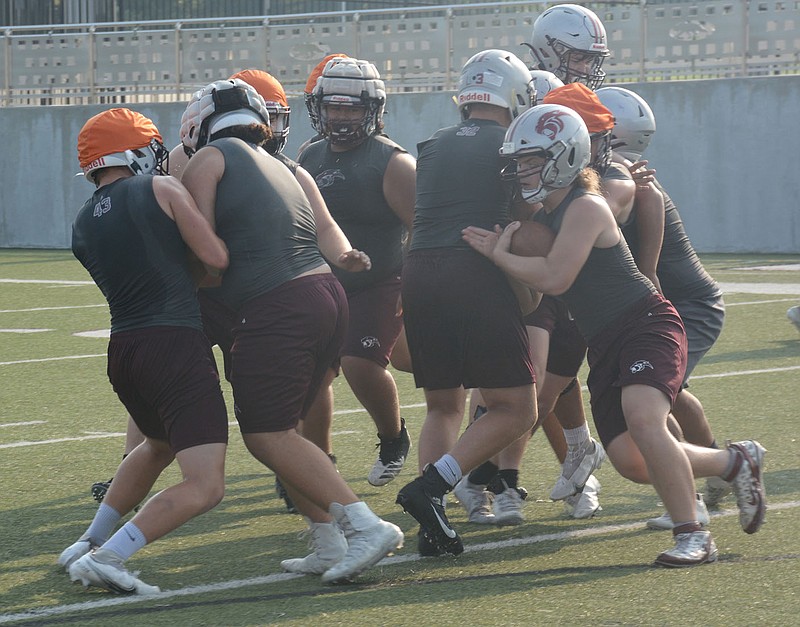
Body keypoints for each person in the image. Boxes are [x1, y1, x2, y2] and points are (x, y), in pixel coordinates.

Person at [462, 103, 767, 567]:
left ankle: (694, 535)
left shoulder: (586, 205)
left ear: (565, 156)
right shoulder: (545, 215)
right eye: (519, 160)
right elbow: (538, 286)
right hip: (605, 342)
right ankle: (733, 462)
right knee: (631, 460)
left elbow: (556, 277)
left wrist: (499, 256)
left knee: (645, 421)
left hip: (645, 324)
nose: (522, 170)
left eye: (532, 160)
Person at [178, 78, 402, 583]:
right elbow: (325, 228)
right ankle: (326, 539)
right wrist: (346, 255)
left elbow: (203, 252)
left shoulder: (209, 160)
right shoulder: (290, 166)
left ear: (200, 124)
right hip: (326, 294)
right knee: (292, 434)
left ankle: (364, 525)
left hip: (275, 303)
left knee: (267, 434)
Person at [60, 108, 230, 593]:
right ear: (134, 152)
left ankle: (89, 542)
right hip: (173, 342)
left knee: (156, 445)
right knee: (206, 484)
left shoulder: (81, 222)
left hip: (124, 349)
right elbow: (215, 259)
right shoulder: (160, 188)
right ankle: (111, 556)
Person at [395, 49, 537, 556]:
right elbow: (523, 214)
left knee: (441, 405)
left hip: (418, 269)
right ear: (516, 96)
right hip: (471, 270)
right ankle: (432, 489)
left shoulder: (433, 144)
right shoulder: (511, 143)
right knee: (517, 407)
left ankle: (430, 525)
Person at [597, 85, 730, 523]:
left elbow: (648, 272)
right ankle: (718, 466)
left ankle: (691, 498)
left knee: (652, 400)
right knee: (671, 393)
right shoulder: (622, 177)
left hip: (686, 304)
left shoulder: (627, 184)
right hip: (677, 300)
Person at [299, 57, 415, 488]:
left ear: (373, 110)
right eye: (334, 107)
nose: (341, 116)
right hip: (324, 285)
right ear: (319, 107)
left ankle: (393, 437)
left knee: (360, 364)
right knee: (309, 377)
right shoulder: (310, 155)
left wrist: (412, 282)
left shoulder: (392, 161)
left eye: (351, 108)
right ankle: (315, 464)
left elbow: (418, 227)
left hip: (380, 281)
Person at [525, 3, 610, 90]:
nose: (584, 70)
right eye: (576, 59)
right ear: (545, 52)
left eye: (589, 61)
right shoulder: (529, 92)